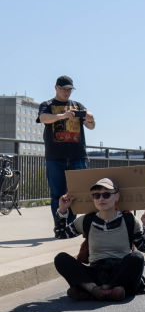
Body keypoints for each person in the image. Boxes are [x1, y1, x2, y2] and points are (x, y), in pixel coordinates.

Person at [53, 177, 145, 301]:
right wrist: (62, 210)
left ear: (117, 196)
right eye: (96, 195)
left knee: (137, 258)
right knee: (61, 258)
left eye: (106, 195)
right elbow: (61, 234)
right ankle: (96, 290)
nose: (101, 199)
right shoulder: (87, 220)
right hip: (96, 273)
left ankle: (98, 289)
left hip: (120, 272)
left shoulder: (129, 220)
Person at [37, 75, 95, 225]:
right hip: (55, 157)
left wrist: (89, 118)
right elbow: (43, 118)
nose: (67, 93)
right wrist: (63, 116)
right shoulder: (47, 104)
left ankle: (71, 224)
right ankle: (60, 224)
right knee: (57, 193)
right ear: (56, 88)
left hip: (77, 155)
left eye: (69, 90)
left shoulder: (77, 105)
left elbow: (91, 125)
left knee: (77, 191)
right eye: (64, 89)